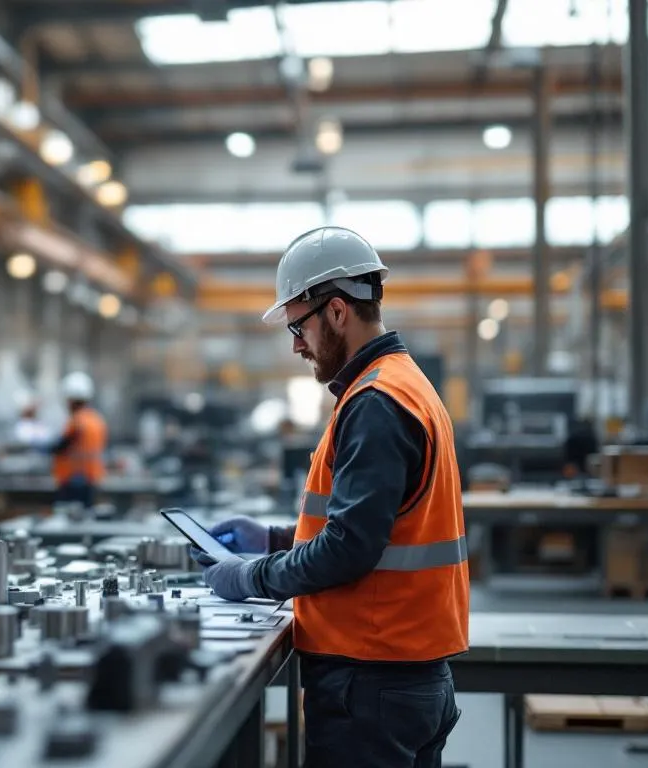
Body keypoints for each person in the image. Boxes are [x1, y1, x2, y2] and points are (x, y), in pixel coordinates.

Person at [192, 227, 468, 768]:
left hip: (373, 677)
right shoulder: (401, 384)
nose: (296, 344)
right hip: (400, 673)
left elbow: (349, 549)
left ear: (337, 312)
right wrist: (274, 538)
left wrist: (249, 577)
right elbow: (378, 529)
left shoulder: (376, 402)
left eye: (299, 325)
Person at [52, 372, 107, 507]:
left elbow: (60, 446)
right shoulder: (96, 419)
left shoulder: (77, 422)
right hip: (92, 478)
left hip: (73, 480)